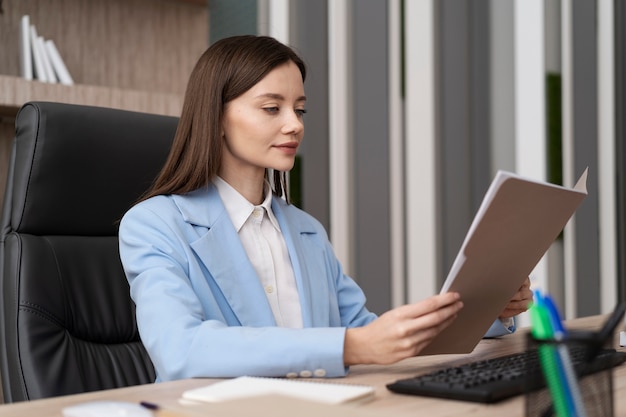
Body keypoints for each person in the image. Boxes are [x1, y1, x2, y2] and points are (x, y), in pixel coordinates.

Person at [119, 35, 533, 382]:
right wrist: (352, 345)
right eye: (271, 108)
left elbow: (370, 336)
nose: (295, 124)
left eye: (299, 109)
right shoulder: (155, 225)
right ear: (218, 116)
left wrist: (484, 312)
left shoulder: (306, 230)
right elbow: (182, 349)